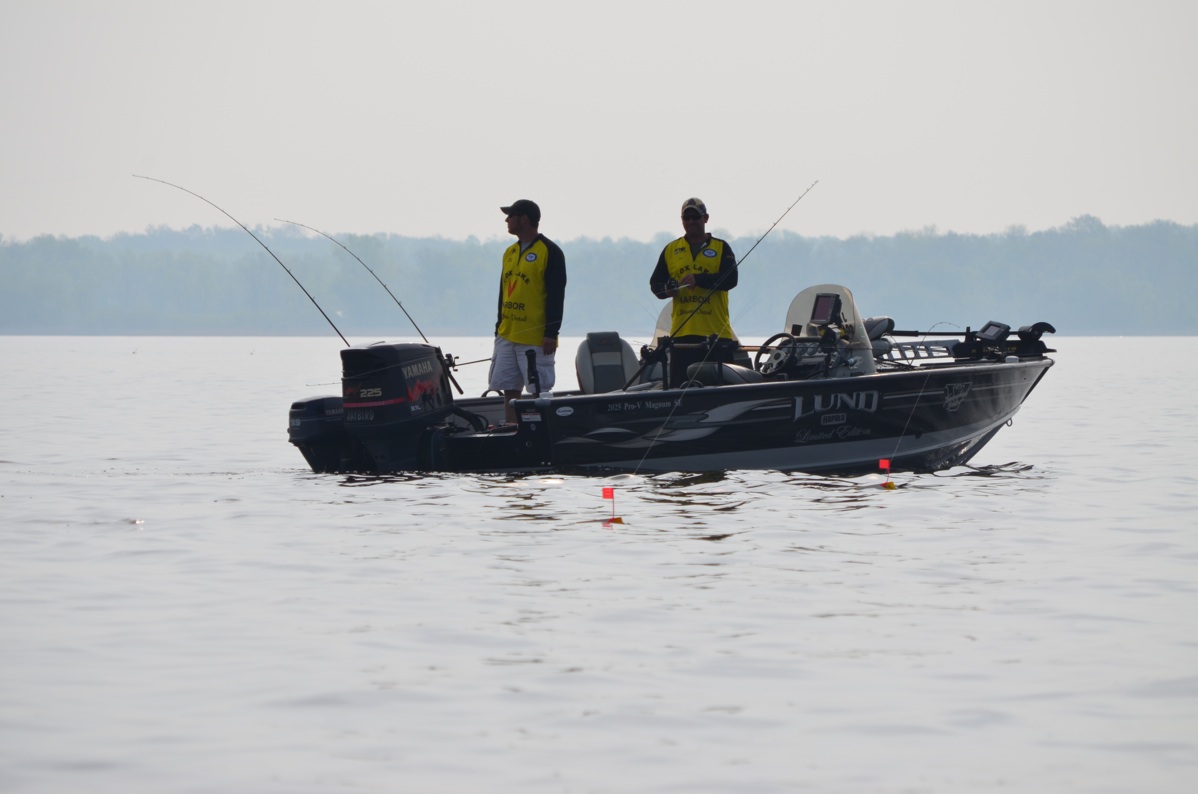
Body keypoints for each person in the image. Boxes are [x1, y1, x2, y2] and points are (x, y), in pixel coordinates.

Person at [488, 199, 567, 423]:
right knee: (509, 389)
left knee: (538, 391)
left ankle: (541, 432)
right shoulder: (509, 252)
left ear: (524, 219)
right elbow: (503, 293)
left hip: (536, 338)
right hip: (507, 334)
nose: (506, 220)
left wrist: (551, 332)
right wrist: (498, 327)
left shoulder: (550, 251)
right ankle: (512, 430)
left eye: (510, 215)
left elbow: (556, 294)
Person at [649, 197, 738, 387]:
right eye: (686, 217)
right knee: (680, 390)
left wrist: (700, 279)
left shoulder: (721, 247)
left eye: (695, 217)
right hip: (682, 336)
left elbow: (731, 280)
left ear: (705, 218)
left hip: (716, 335)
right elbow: (655, 284)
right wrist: (667, 289)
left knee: (721, 392)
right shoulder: (671, 249)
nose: (690, 221)